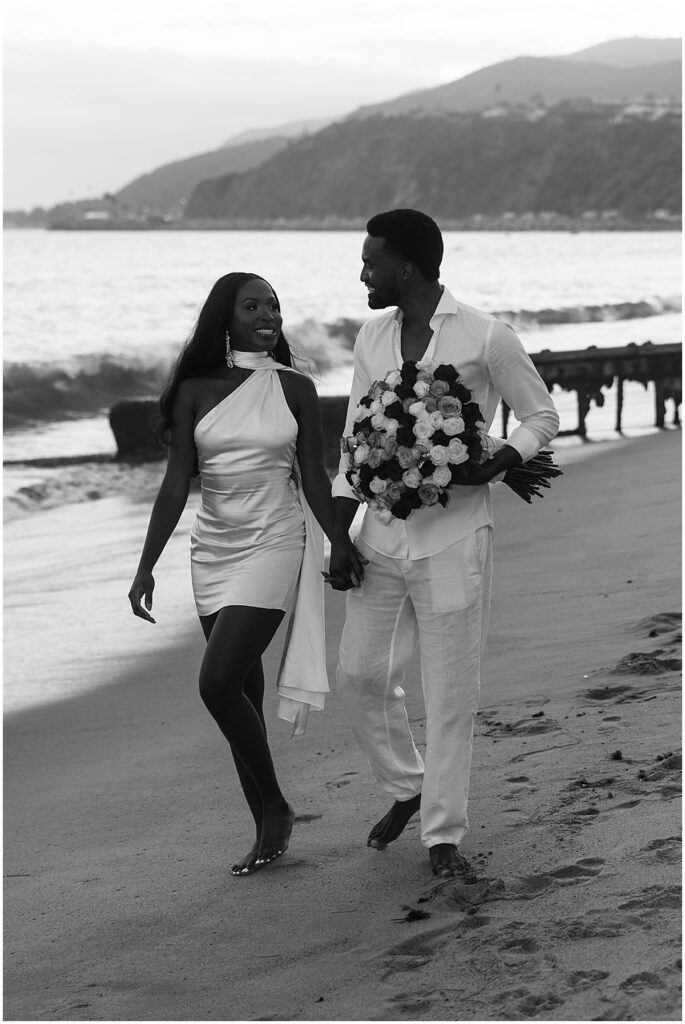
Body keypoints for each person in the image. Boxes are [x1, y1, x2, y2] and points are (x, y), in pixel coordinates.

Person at [328, 210, 560, 878]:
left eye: (371, 262)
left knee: (450, 692)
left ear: (404, 266)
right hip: (378, 531)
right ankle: (407, 783)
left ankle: (441, 836)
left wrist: (503, 457)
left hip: (455, 535)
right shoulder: (371, 336)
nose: (363, 273)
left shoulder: (485, 335)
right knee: (360, 675)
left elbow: (541, 413)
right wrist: (339, 533)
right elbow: (352, 440)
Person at [128, 272, 363, 877]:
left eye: (274, 305)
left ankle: (278, 808)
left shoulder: (295, 389)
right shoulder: (195, 390)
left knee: (216, 683)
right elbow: (178, 480)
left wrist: (339, 540)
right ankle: (264, 825)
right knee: (244, 693)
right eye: (252, 305)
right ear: (224, 319)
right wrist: (146, 564)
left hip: (275, 540)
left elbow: (314, 475)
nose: (268, 314)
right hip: (212, 549)